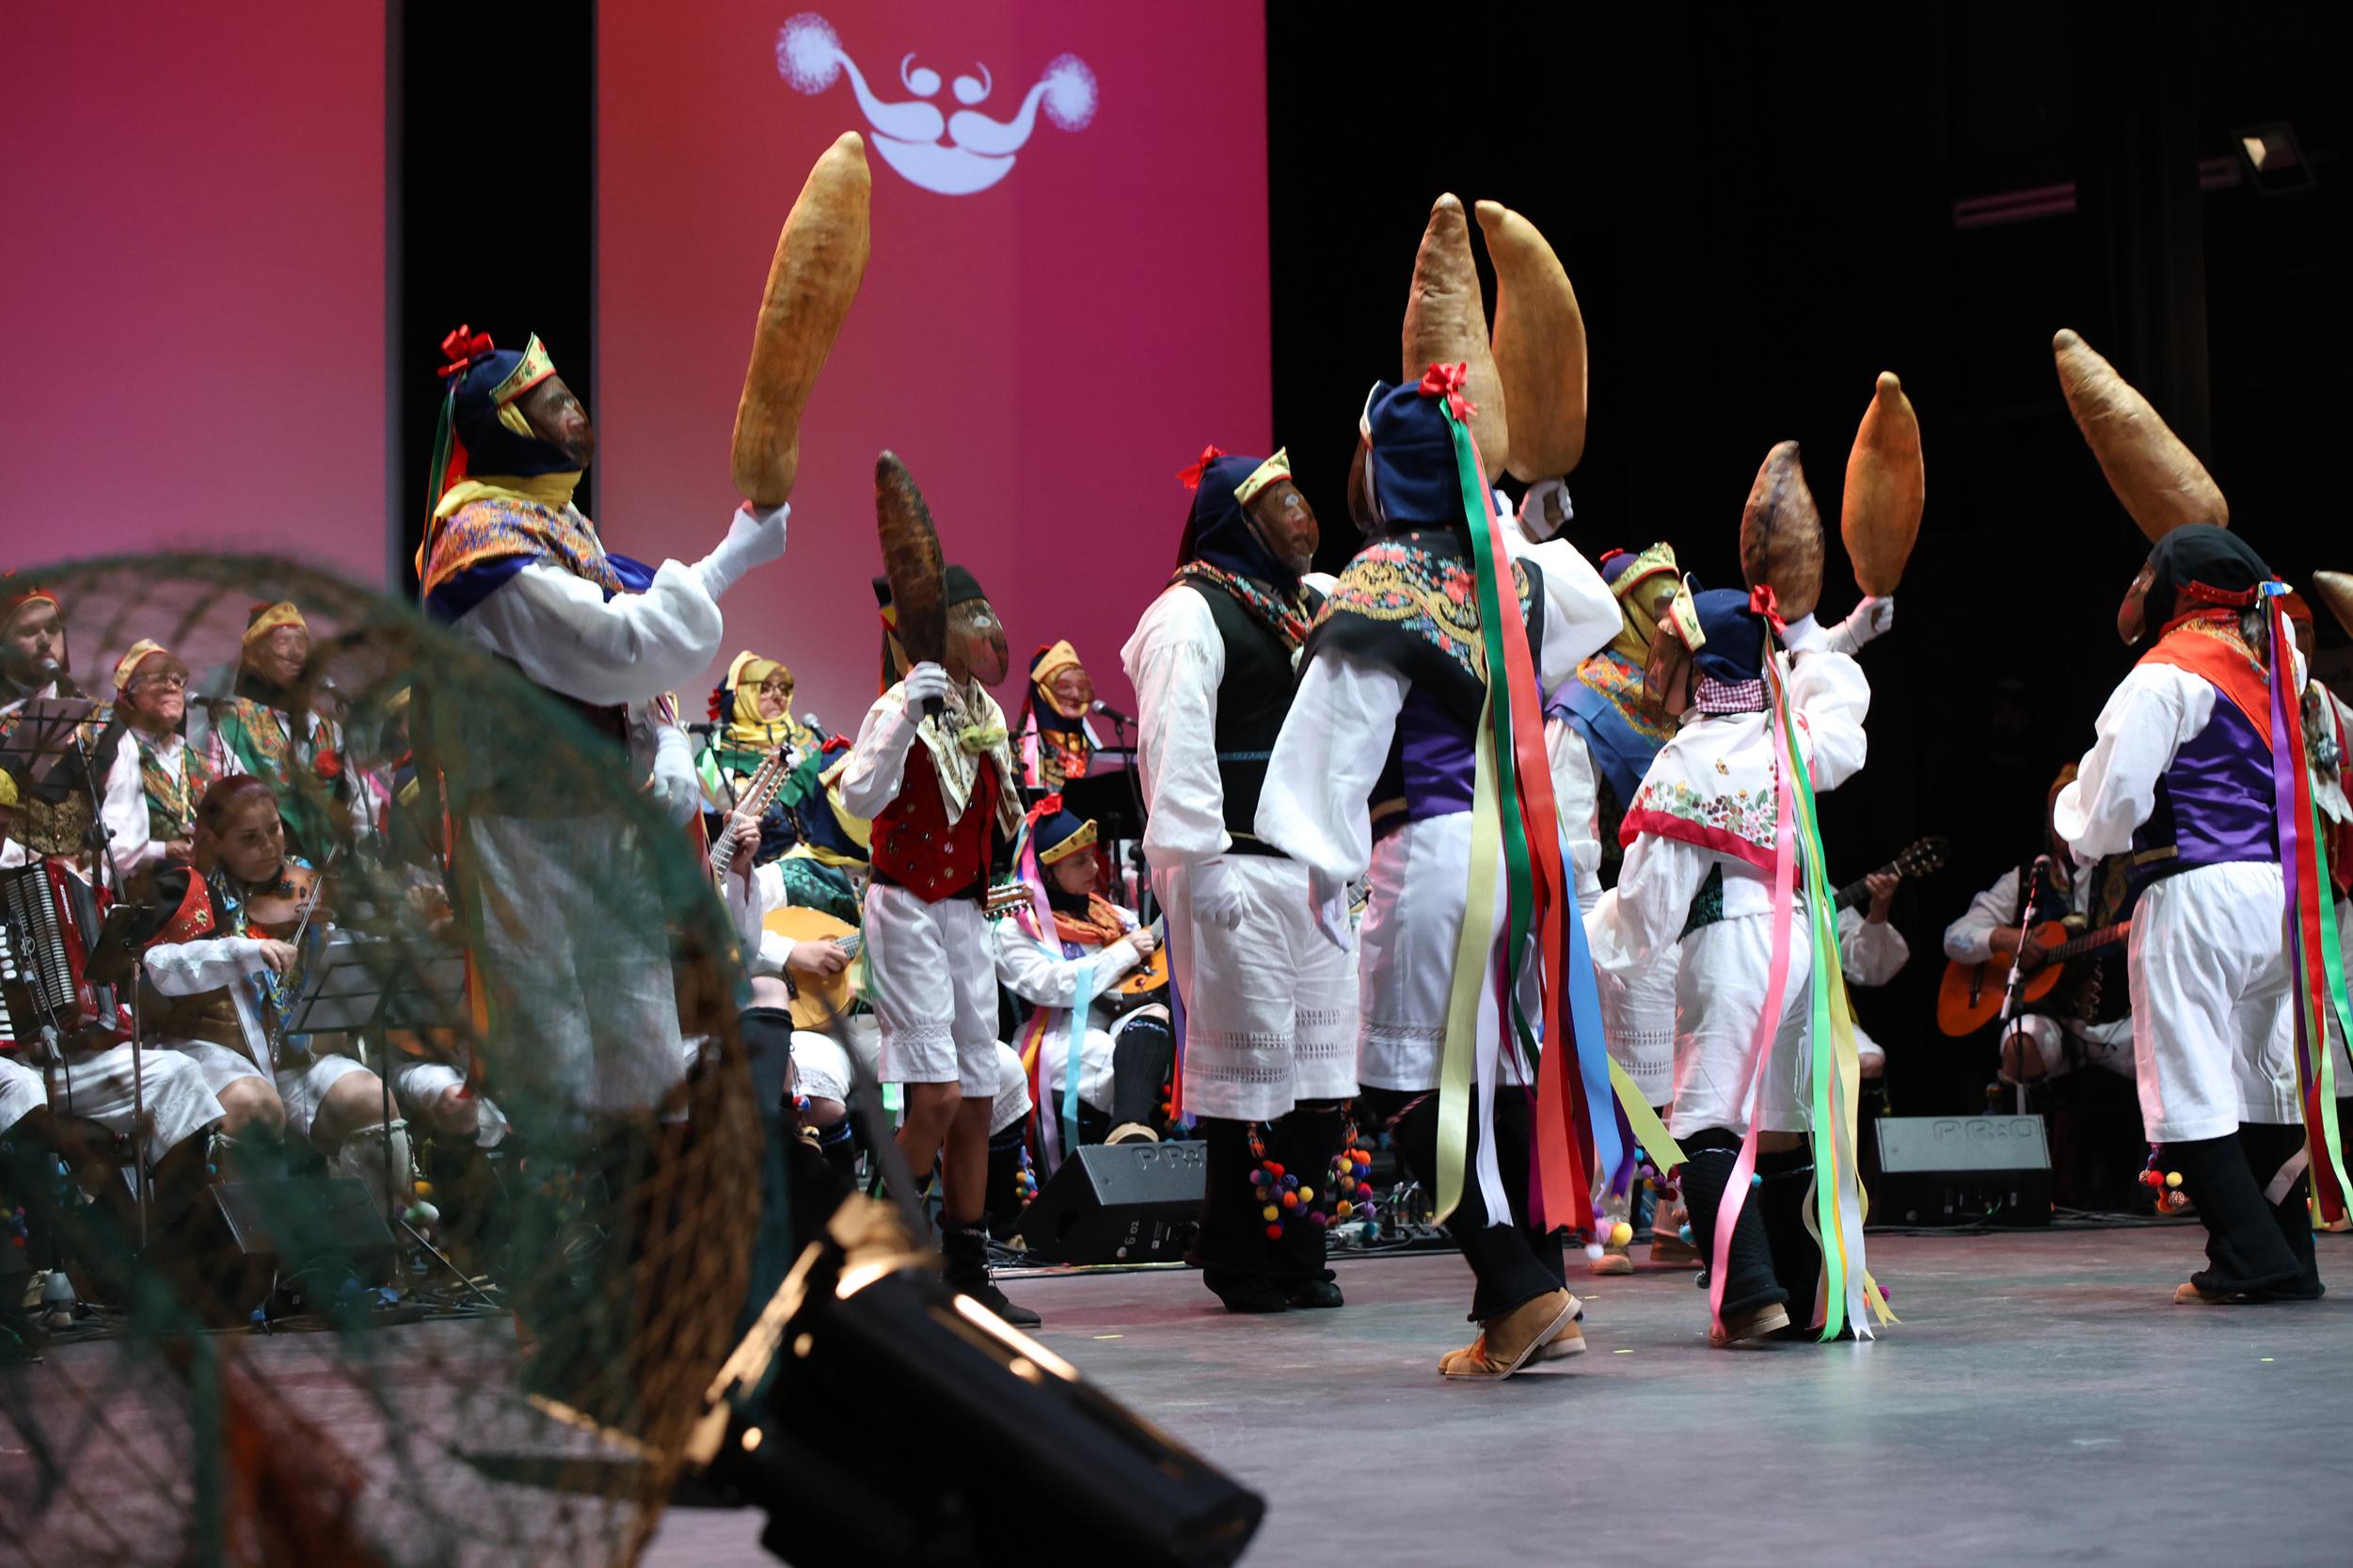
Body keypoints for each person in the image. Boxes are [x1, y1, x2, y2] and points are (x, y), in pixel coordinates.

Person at [1258, 370, 1618, 1373]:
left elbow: (1337, 738)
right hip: (1516, 856)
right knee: (1503, 1067)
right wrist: (1503, 519)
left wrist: (1319, 868)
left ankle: (1513, 1291)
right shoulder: (1507, 571)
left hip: (1427, 845)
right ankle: (1542, 1293)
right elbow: (1592, 610)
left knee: (1399, 1075)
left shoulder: (1384, 579)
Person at [415, 325, 785, 1123]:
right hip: (528, 830)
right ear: (510, 427)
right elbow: (615, 645)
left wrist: (669, 743)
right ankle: (570, 1241)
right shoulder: (482, 541)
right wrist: (731, 557)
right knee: (558, 1059)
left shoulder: (560, 524)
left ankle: (640, 1236)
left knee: (644, 1047)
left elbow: (631, 670)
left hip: (598, 822)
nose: (576, 411)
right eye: (552, 401)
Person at [1588, 582, 1880, 1346]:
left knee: (1705, 1121)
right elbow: (1846, 723)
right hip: (1803, 949)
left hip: (1729, 946)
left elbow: (1647, 907)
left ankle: (1751, 1293)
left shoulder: (1688, 757)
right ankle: (1793, 1291)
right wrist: (1816, 640)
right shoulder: (1791, 736)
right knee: (1781, 1120)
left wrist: (1589, 934)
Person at [2053, 526, 2323, 1304]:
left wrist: (2073, 819)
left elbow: (2109, 809)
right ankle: (2289, 1254)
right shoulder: (2275, 667)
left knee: (2185, 1077)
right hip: (2279, 900)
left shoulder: (2163, 675)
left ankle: (2248, 1257)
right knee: (2256, 1077)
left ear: (2173, 587)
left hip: (2194, 889)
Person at [1123, 443, 1359, 1315]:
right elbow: (1173, 743)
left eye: (1303, 497)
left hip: (1313, 875)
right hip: (1236, 868)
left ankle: (1299, 1250)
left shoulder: (1309, 605)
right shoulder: (1189, 613)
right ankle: (1241, 1255)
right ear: (1237, 521)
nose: (1303, 516)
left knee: (1317, 1073)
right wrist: (1197, 860)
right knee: (1254, 1077)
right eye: (1282, 503)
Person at [837, 560, 1036, 1324]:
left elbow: (1002, 815)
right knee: (938, 1095)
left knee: (978, 1096)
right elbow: (859, 798)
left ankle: (966, 1267)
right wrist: (905, 718)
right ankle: (874, 1258)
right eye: (969, 613)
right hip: (906, 906)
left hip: (964, 911)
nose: (984, 628)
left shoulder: (979, 705)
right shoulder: (899, 702)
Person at [137, 775, 410, 1220]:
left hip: (294, 1055)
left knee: (368, 1097)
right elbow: (165, 966)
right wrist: (246, 945)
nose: (270, 846)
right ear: (215, 842)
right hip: (221, 1054)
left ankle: (374, 1250)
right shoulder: (188, 891)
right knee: (252, 1106)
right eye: (249, 838)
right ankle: (247, 1264)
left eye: (275, 829)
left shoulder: (302, 879)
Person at [994, 798, 1172, 1155]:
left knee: (1158, 1021)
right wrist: (1123, 953)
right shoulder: (1015, 930)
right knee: (1121, 1063)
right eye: (1079, 862)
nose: (1093, 867)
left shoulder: (1118, 917)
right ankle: (1129, 1148)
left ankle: (1129, 1129)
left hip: (1118, 1020)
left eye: (1091, 856)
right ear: (1047, 872)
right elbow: (1051, 985)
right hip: (1057, 1036)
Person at [0, 582, 150, 884]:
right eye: (29, 632)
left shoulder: (103, 721)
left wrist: (83, 874)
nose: (45, 641)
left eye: (52, 629)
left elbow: (127, 819)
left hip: (87, 892)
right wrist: (37, 869)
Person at [203, 601, 352, 864]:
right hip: (267, 874)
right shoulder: (233, 724)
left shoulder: (328, 729)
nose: (296, 653)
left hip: (334, 874)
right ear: (254, 657)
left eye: (302, 642)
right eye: (282, 642)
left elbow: (357, 808)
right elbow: (226, 812)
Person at [697, 651, 824, 862]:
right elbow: (736, 805)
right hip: (753, 869)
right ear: (742, 695)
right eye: (765, 689)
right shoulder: (714, 754)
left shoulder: (809, 741)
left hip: (819, 865)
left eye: (784, 689)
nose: (778, 696)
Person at [111, 640, 213, 888]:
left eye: (177, 680)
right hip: (145, 894)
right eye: (158, 679)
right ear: (129, 695)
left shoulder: (199, 757)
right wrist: (163, 850)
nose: (171, 687)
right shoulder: (115, 752)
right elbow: (104, 845)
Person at [1017, 641, 1104, 790]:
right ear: (1042, 692)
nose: (1076, 695)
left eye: (1081, 686)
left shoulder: (1096, 755)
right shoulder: (1016, 757)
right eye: (1065, 686)